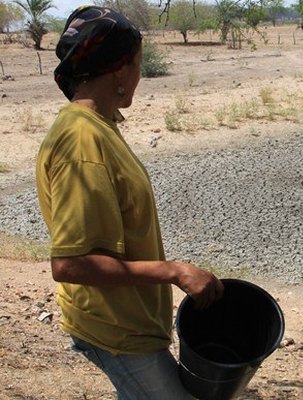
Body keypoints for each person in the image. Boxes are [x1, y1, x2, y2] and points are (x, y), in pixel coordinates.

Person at [35, 6, 224, 399]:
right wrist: (174, 272)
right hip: (113, 327)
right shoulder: (82, 142)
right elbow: (70, 263)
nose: (139, 75)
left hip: (129, 320)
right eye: (137, 64)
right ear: (121, 70)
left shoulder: (98, 127)